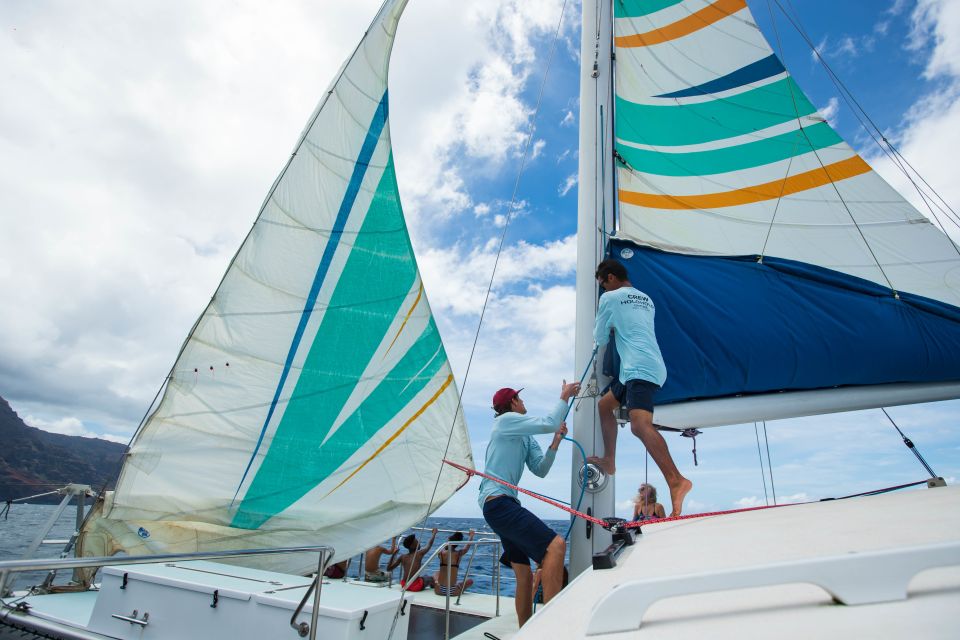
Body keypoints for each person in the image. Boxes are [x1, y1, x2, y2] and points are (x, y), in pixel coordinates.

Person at [588, 258, 692, 517]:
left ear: (610, 278)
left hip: (639, 369)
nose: (603, 290)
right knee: (605, 406)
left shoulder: (609, 299)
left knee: (639, 425)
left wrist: (608, 326)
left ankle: (676, 480)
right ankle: (610, 461)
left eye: (602, 285)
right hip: (641, 367)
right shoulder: (646, 299)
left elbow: (600, 337)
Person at [480, 381, 579, 627]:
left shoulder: (523, 435)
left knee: (524, 574)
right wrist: (564, 397)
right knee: (555, 546)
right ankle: (550, 628)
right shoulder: (505, 422)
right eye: (520, 399)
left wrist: (555, 442)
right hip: (499, 502)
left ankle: (526, 631)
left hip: (499, 506)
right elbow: (549, 422)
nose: (524, 403)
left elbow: (540, 469)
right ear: (513, 403)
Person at [433, 530, 475, 596]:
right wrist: (471, 536)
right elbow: (467, 546)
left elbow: (444, 548)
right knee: (470, 581)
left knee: (437, 573)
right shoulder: (458, 554)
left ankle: (438, 583)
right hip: (452, 591)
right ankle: (457, 585)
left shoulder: (441, 553)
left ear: (447, 543)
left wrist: (434, 534)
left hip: (439, 590)